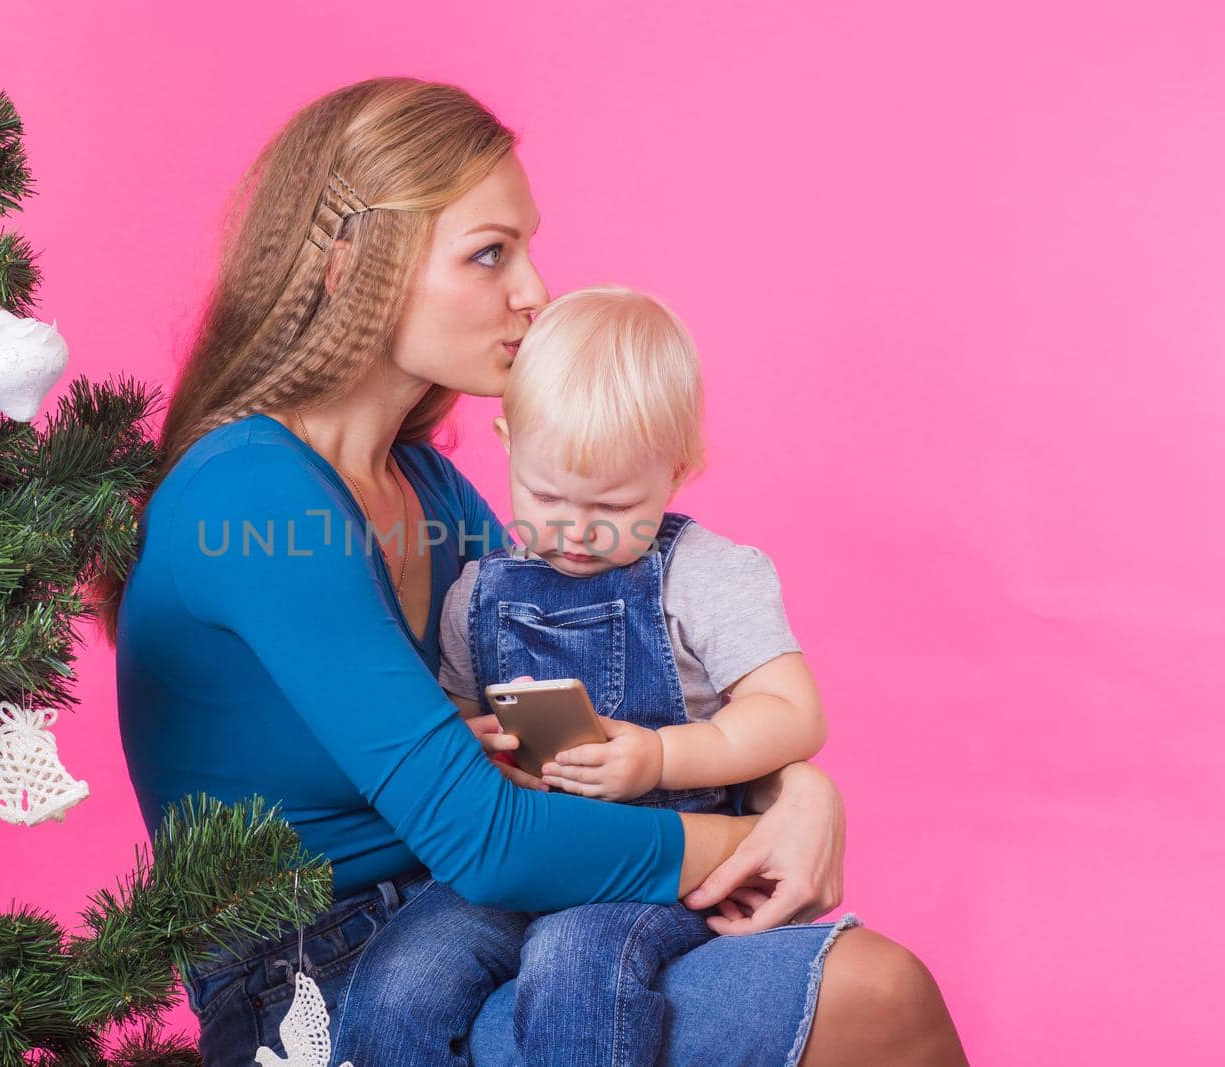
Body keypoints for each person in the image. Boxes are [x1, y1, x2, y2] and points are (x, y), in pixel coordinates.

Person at [103, 77, 968, 1066]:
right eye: (488, 253)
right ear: (350, 266)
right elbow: (489, 834)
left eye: (525, 248)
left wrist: (802, 796)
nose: (534, 292)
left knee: (866, 986)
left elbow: (554, 722)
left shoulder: (429, 491)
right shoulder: (253, 496)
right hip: (331, 984)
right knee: (874, 995)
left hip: (491, 921)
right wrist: (742, 841)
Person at [333, 285, 835, 1067]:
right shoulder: (482, 590)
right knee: (403, 976)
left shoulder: (705, 575)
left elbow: (792, 713)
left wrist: (661, 757)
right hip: (524, 857)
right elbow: (455, 713)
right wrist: (482, 750)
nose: (572, 529)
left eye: (610, 504)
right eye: (545, 496)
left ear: (678, 470)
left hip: (652, 868)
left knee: (575, 965)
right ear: (506, 443)